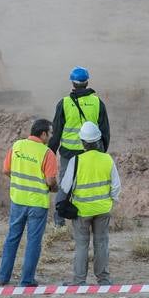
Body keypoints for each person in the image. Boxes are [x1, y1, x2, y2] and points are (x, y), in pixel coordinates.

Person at [0, 118, 58, 288]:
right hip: (37, 203)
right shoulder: (47, 153)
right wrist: (54, 188)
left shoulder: (17, 146)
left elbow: (6, 170)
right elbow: (50, 180)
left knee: (12, 238)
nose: (51, 137)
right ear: (43, 134)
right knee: (33, 242)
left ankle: (3, 277)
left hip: (18, 200)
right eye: (50, 133)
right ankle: (27, 280)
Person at [60, 121, 120, 287]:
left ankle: (79, 281)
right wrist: (111, 201)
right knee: (101, 243)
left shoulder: (76, 161)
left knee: (81, 245)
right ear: (98, 140)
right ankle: (104, 280)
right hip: (103, 209)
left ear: (82, 142)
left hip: (81, 211)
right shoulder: (107, 159)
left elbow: (65, 186)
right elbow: (116, 187)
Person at [48, 65, 110, 226]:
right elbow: (105, 131)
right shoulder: (98, 103)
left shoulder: (64, 103)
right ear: (87, 82)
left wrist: (50, 153)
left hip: (68, 153)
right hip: (90, 151)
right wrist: (102, 152)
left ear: (72, 83)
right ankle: (91, 215)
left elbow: (56, 132)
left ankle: (59, 220)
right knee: (90, 183)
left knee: (65, 183)